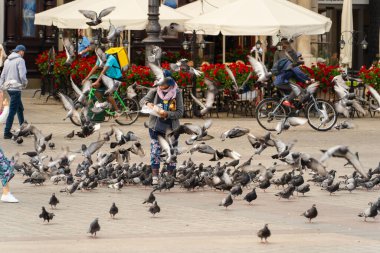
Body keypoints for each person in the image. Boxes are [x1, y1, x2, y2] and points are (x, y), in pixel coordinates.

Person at [139, 70, 184, 185]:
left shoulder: (177, 92)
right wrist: (148, 104)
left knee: (172, 153)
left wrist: (167, 114)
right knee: (155, 151)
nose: (160, 85)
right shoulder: (154, 90)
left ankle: (170, 177)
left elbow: (180, 112)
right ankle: (155, 176)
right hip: (156, 127)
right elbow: (142, 101)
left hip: (171, 128)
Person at [272, 40, 312, 108]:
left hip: (281, 81)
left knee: (297, 89)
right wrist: (308, 79)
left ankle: (291, 108)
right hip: (281, 81)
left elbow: (296, 75)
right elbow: (299, 72)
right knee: (297, 89)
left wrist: (305, 80)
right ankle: (289, 102)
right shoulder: (289, 63)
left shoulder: (289, 62)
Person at [82, 51, 122, 116]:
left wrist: (97, 81)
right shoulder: (100, 58)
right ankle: (102, 104)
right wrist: (86, 78)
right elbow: (94, 68)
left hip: (116, 79)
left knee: (108, 95)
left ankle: (117, 110)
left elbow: (103, 71)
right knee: (95, 87)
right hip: (107, 78)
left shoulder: (111, 59)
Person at [0, 45, 27, 139]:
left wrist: (1, 86)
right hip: (16, 88)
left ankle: (23, 129)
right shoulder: (20, 60)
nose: (24, 53)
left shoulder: (7, 60)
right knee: (12, 111)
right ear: (21, 51)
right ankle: (7, 132)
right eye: (23, 51)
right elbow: (22, 75)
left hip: (9, 88)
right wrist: (24, 83)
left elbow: (2, 75)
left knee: (20, 109)